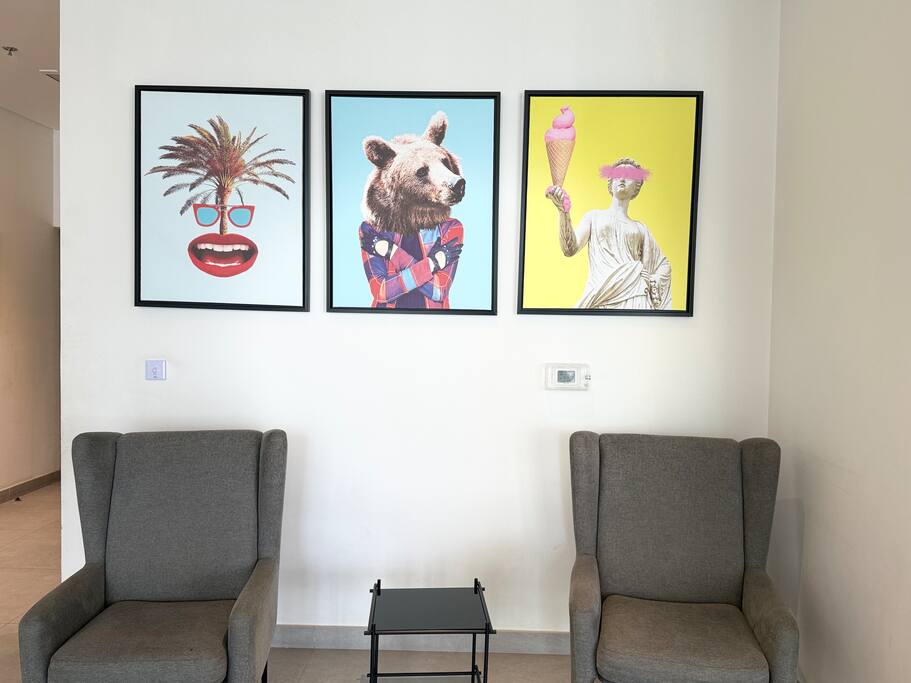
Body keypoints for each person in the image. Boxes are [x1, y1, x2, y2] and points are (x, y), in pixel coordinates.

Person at [546, 158, 671, 310]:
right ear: (611, 183)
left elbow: (663, 265)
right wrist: (563, 212)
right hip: (600, 294)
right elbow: (569, 249)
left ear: (636, 188)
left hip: (635, 293)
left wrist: (651, 279)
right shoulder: (594, 217)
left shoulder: (640, 229)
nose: (622, 178)